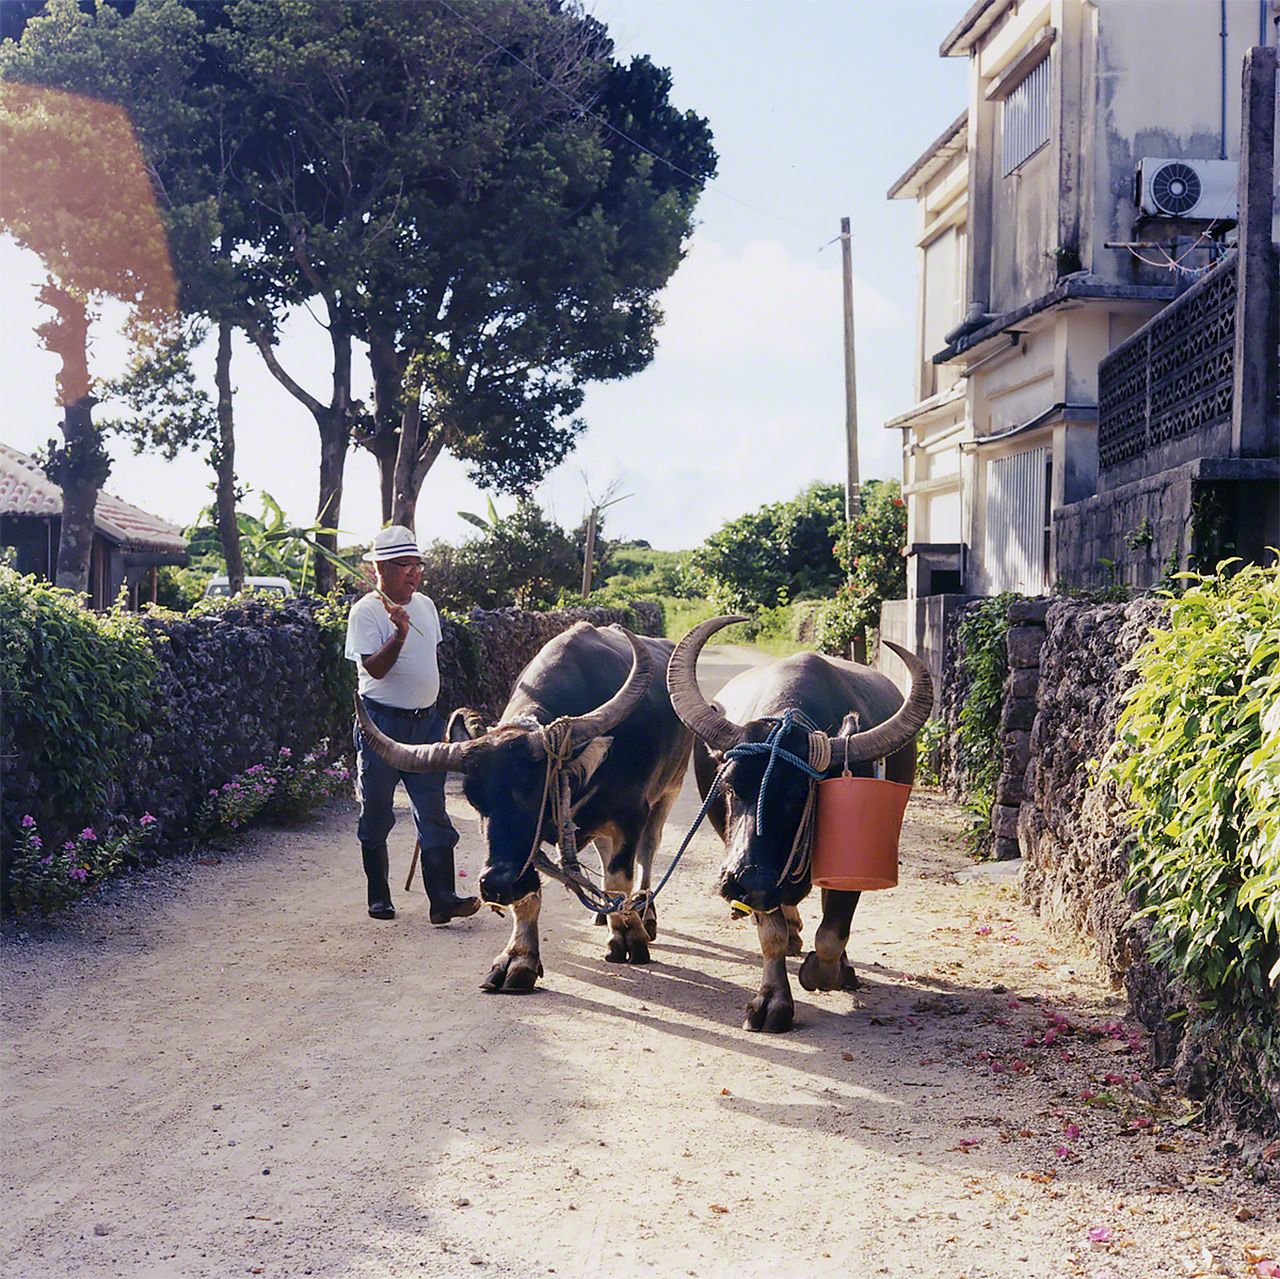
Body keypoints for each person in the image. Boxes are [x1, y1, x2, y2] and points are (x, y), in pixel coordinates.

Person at [345, 525, 480, 925]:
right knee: (376, 813)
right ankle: (379, 897)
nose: (414, 572)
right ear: (379, 569)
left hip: (424, 727)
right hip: (380, 728)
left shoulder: (426, 605)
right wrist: (399, 633)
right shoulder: (366, 611)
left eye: (417, 564)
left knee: (433, 812)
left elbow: (426, 662)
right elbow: (376, 670)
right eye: (404, 564)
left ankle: (442, 900)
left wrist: (432, 714)